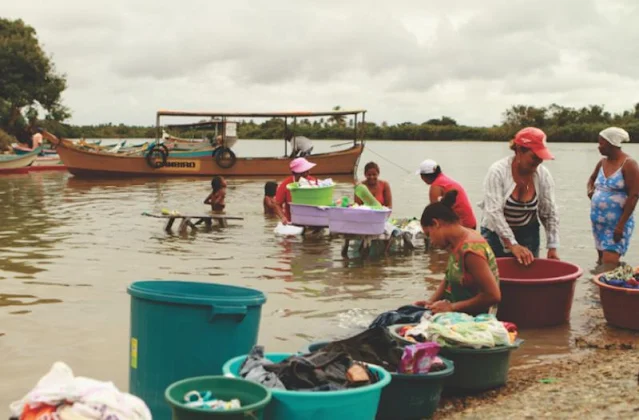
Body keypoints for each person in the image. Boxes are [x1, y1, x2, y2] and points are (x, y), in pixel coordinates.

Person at [478, 127, 559, 266]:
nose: (538, 162)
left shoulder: (543, 175)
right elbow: (494, 212)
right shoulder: (498, 172)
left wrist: (552, 246)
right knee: (494, 276)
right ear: (519, 150)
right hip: (495, 232)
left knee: (530, 276)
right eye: (534, 157)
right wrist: (512, 244)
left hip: (528, 230)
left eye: (541, 158)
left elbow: (549, 212)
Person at [414, 191, 501, 315]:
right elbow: (449, 278)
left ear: (436, 224)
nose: (432, 242)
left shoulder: (470, 250)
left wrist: (452, 307)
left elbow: (493, 295)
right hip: (458, 314)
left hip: (476, 321)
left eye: (429, 234)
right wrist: (430, 303)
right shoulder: (456, 242)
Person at [587, 127, 639, 266]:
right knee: (600, 264)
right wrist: (590, 191)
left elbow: (634, 195)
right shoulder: (602, 163)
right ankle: (596, 289)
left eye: (601, 143)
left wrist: (620, 226)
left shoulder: (629, 165)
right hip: (598, 223)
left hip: (616, 225)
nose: (599, 147)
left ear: (612, 143)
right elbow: (591, 179)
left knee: (609, 264)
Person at [417, 159, 476, 229]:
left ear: (423, 176)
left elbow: (434, 213)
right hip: (470, 223)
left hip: (461, 226)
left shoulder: (436, 186)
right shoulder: (444, 180)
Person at [274, 157, 317, 224]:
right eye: (305, 172)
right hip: (292, 222)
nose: (308, 173)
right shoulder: (286, 184)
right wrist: (282, 217)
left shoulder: (312, 181)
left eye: (308, 170)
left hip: (311, 220)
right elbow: (277, 204)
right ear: (296, 173)